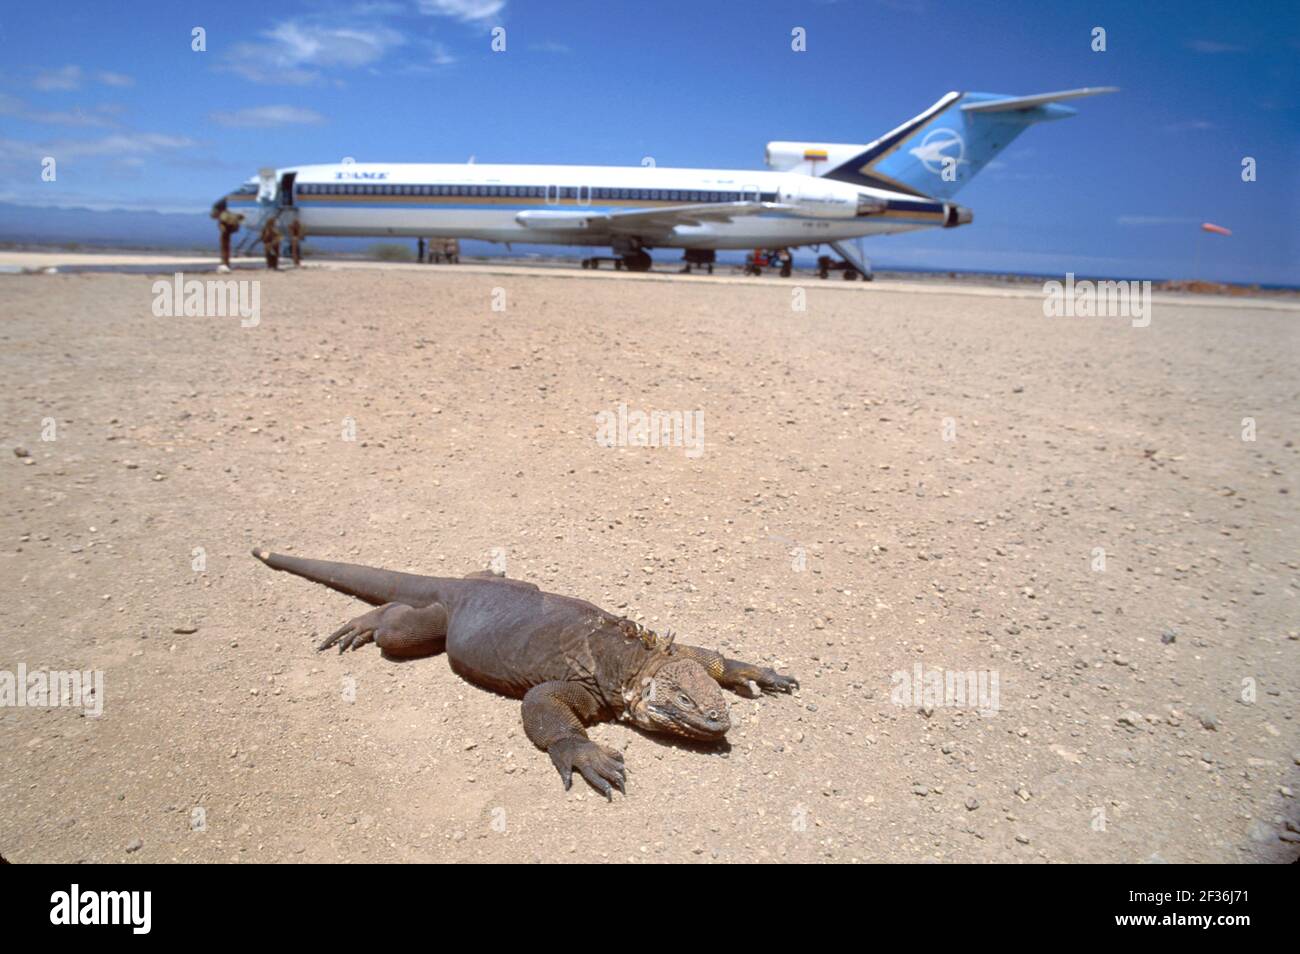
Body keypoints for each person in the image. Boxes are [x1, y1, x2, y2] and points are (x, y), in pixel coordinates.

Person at [211, 199, 244, 270]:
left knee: (224, 249)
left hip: (225, 233)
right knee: (226, 249)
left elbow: (214, 216)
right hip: (227, 233)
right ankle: (225, 263)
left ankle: (224, 263)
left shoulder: (224, 215)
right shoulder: (229, 214)